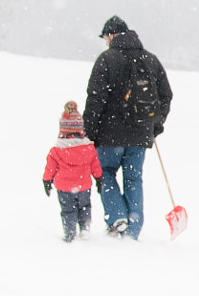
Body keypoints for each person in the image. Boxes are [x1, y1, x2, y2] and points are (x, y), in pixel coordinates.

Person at [82, 15, 173, 240]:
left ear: (112, 35)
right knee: (134, 179)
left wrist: (90, 130)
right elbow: (165, 95)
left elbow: (95, 98)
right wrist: (155, 126)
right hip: (140, 134)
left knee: (106, 173)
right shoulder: (150, 60)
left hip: (109, 133)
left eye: (106, 37)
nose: (105, 42)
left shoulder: (106, 60)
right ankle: (133, 227)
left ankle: (117, 216)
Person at [42, 101, 103, 242]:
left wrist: (47, 180)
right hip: (84, 186)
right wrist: (99, 179)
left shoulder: (56, 151)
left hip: (64, 188)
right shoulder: (88, 148)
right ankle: (85, 228)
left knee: (67, 210)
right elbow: (96, 166)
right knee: (85, 207)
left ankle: (69, 232)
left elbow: (50, 169)